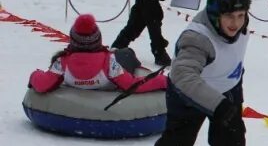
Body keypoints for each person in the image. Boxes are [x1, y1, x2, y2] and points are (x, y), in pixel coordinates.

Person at [143, 0, 252, 146]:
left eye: (241, 15)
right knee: (179, 139)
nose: (235, 23)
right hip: (190, 92)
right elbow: (183, 75)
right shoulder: (197, 38)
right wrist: (217, 104)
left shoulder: (241, 25)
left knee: (231, 141)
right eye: (229, 16)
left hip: (228, 87)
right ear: (215, 14)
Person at [29, 13, 167, 94]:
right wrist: (162, 81)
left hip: (87, 65)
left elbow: (42, 84)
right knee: (126, 53)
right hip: (109, 72)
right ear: (97, 40)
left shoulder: (62, 62)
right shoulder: (108, 63)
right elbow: (131, 85)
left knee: (120, 53)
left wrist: (35, 75)